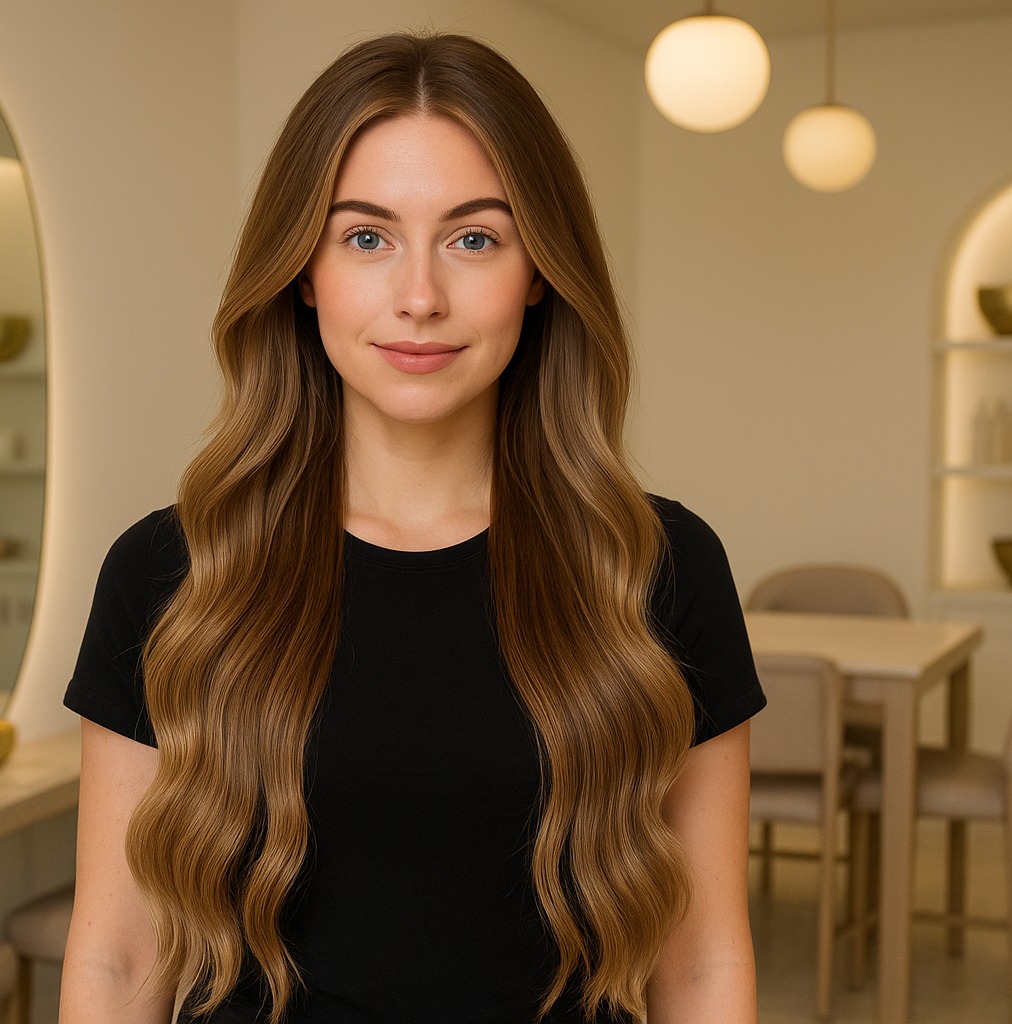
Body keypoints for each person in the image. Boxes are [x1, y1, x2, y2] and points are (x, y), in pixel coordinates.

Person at [60, 31, 765, 1024]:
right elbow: (119, 959)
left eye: (474, 237)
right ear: (304, 270)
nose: (421, 297)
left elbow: (700, 968)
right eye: (367, 236)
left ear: (539, 271)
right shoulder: (173, 571)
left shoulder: (659, 568)